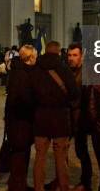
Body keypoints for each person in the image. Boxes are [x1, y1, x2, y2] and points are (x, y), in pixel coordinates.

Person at [67, 43, 100, 191]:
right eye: (69, 55)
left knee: (96, 158)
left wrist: (86, 124)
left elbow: (88, 107)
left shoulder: (90, 82)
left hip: (95, 124)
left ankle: (91, 183)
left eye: (75, 55)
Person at [31, 41, 78, 191]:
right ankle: (64, 187)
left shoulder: (36, 70)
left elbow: (29, 94)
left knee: (40, 158)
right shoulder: (64, 69)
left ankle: (39, 188)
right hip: (60, 118)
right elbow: (74, 93)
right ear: (59, 52)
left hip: (40, 118)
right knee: (61, 157)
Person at [5, 44, 38, 191]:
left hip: (17, 121)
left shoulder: (17, 71)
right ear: (30, 58)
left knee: (21, 155)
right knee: (19, 156)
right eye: (35, 57)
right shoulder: (23, 74)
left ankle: (19, 184)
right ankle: (18, 186)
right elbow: (23, 100)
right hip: (20, 122)